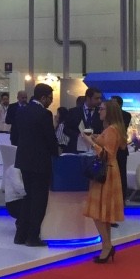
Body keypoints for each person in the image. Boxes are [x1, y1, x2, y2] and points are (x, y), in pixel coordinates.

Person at [10, 83, 58, 247]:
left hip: (24, 160)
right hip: (40, 163)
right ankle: (32, 237)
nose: (51, 101)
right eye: (50, 98)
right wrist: (56, 152)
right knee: (39, 201)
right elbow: (50, 139)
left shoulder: (21, 111)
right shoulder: (44, 114)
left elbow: (15, 136)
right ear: (43, 98)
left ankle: (20, 235)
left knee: (28, 197)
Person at [81, 99, 126, 263]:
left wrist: (90, 142)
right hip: (109, 171)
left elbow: (106, 154)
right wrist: (95, 138)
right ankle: (106, 245)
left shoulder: (112, 130)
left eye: (102, 109)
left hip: (106, 172)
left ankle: (106, 245)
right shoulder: (112, 129)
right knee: (103, 212)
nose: (99, 111)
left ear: (109, 112)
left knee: (98, 212)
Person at [62, 87, 104, 153]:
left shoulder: (101, 112)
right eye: (96, 98)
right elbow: (66, 129)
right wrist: (79, 135)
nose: (99, 101)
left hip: (94, 148)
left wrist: (97, 136)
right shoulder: (74, 111)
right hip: (76, 148)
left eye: (100, 98)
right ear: (88, 98)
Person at [111, 95, 132, 209]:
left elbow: (121, 129)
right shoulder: (106, 114)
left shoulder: (126, 115)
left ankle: (122, 199)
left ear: (119, 105)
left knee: (121, 175)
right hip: (110, 150)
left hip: (121, 150)